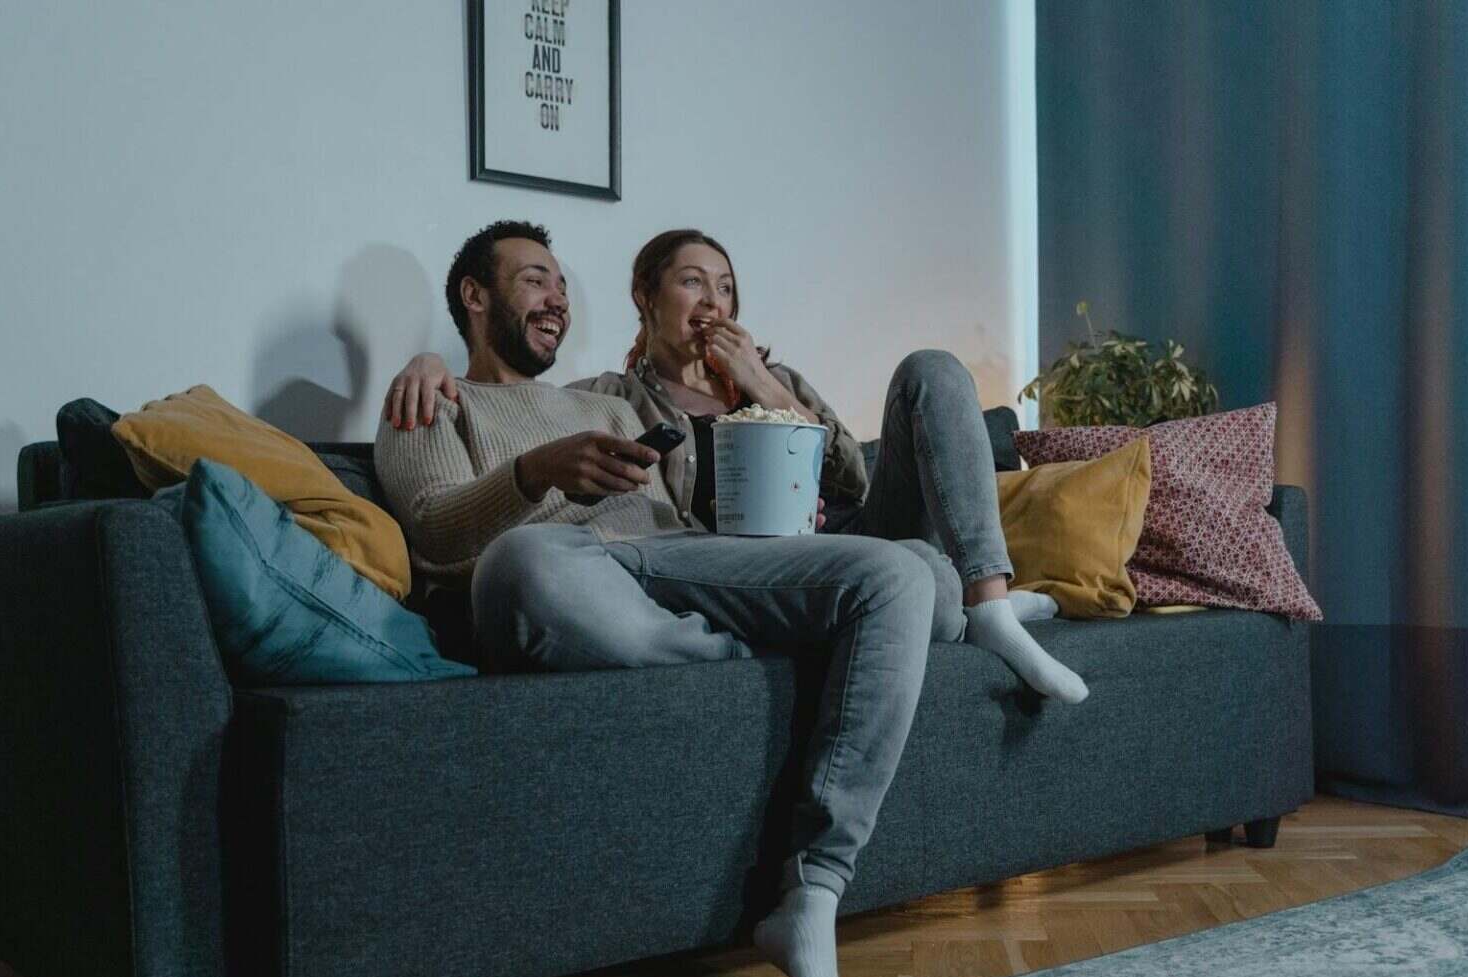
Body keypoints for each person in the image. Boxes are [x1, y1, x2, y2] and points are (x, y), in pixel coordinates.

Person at [377, 219, 973, 977]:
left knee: (902, 571)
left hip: (677, 565)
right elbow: (434, 529)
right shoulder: (433, 401)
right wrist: (533, 471)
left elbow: (690, 523)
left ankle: (815, 883)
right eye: (533, 280)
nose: (556, 298)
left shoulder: (603, 402)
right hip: (573, 575)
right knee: (520, 563)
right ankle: (767, 653)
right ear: (474, 298)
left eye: (560, 284)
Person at [386, 228, 1088, 703]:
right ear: (647, 297)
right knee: (921, 579)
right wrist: (426, 364)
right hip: (732, 572)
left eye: (724, 287)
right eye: (693, 283)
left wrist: (765, 386)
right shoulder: (612, 399)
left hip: (842, 535)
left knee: (931, 373)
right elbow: (503, 454)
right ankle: (960, 608)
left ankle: (988, 602)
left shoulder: (766, 376)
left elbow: (859, 483)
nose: (714, 301)